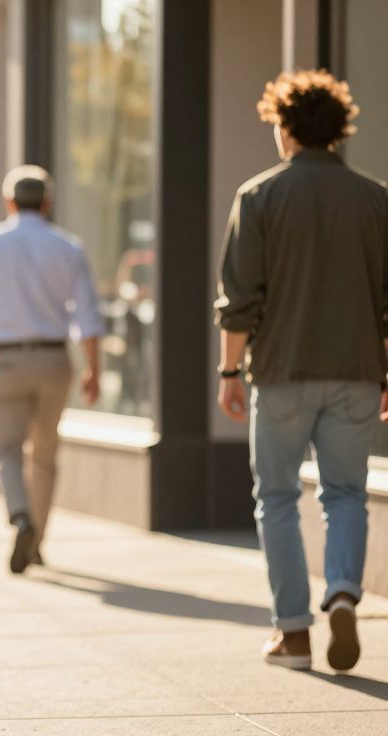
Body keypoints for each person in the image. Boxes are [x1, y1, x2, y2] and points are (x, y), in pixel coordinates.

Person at [216, 70, 387, 672]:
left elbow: (240, 299)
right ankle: (341, 591)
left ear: (285, 127)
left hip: (281, 371)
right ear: (339, 131)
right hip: (358, 371)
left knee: (279, 498)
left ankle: (293, 634)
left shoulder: (259, 196)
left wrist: (230, 372)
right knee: (345, 493)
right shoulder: (376, 199)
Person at [0, 165, 103, 575]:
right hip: (55, 359)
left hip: (3, 359)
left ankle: (20, 516)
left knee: (5, 449)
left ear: (9, 202)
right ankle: (36, 542)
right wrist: (94, 368)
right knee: (46, 454)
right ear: (48, 202)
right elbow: (88, 315)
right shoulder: (68, 246)